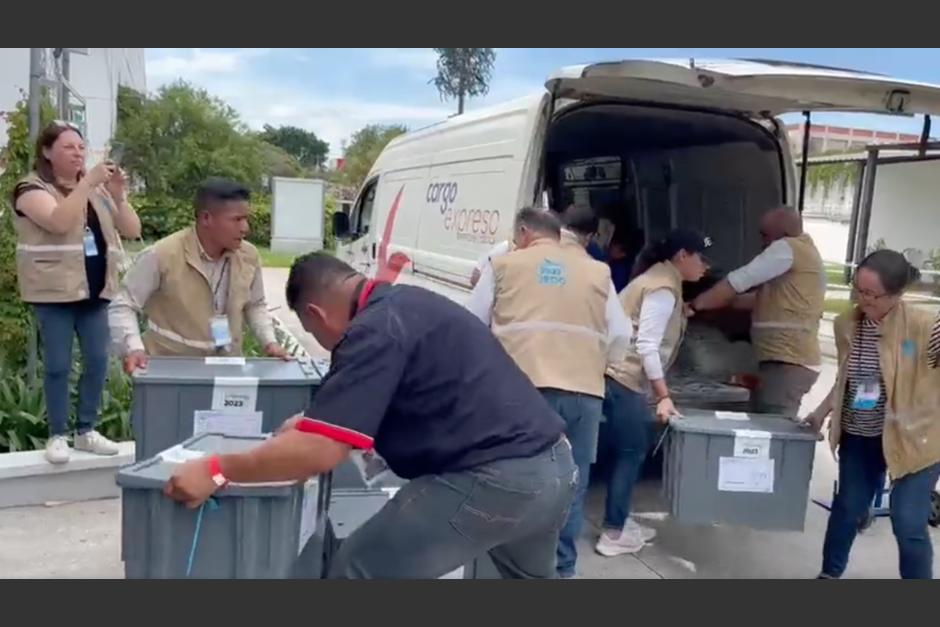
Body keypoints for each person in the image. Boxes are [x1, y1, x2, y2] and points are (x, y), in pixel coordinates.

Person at [163, 252, 577, 578]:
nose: (326, 345)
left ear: (315, 314)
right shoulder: (409, 304)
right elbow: (395, 394)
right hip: (555, 468)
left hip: (494, 481)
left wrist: (216, 469)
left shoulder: (373, 330)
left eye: (315, 335)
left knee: (357, 572)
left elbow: (321, 452)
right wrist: (312, 421)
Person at [465, 206, 632, 579]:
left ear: (523, 232)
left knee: (509, 479)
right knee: (569, 486)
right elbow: (621, 335)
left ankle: (508, 569)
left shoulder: (505, 264)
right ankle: (561, 571)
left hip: (518, 393)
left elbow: (471, 324)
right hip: (583, 394)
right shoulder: (596, 271)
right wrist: (592, 365)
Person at [803, 250, 940, 580]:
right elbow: (847, 378)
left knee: (908, 521)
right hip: (860, 435)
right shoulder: (846, 323)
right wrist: (820, 413)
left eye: (871, 294)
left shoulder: (925, 326)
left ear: (896, 294)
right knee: (848, 508)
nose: (861, 300)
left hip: (915, 441)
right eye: (857, 290)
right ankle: (829, 575)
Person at [12, 120, 142, 464]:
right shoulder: (31, 188)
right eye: (69, 147)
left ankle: (86, 430)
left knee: (98, 361)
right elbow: (58, 222)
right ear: (47, 151)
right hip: (54, 292)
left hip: (95, 291)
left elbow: (131, 229)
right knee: (58, 364)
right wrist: (87, 183)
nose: (78, 153)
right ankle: (57, 434)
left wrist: (117, 194)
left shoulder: (97, 192)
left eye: (82, 148)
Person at [597, 229, 711, 556]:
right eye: (701, 258)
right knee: (631, 452)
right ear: (682, 257)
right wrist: (663, 395)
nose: (705, 267)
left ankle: (617, 520)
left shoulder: (660, 280)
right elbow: (646, 345)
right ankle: (613, 533)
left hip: (615, 375)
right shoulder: (662, 288)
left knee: (623, 450)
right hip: (625, 378)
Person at [108, 178, 287, 373]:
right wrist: (133, 348)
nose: (245, 228)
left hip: (227, 368)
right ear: (206, 218)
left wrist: (270, 343)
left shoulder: (248, 255)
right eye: (237, 219)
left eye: (246, 219)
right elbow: (123, 304)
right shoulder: (162, 254)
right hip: (170, 371)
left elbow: (256, 304)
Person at [691, 206, 825, 417]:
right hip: (785, 362)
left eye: (765, 235)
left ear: (783, 234)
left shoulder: (786, 248)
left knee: (772, 430)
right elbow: (755, 301)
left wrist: (693, 306)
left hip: (788, 363)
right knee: (764, 423)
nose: (762, 243)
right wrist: (718, 305)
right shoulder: (804, 256)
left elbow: (739, 280)